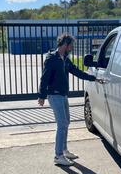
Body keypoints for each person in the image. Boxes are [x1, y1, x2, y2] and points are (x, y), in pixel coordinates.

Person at [38, 34, 99, 166]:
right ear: (65, 44)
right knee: (62, 124)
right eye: (71, 45)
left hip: (63, 95)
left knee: (66, 122)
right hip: (54, 95)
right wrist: (42, 95)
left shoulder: (65, 58)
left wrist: (92, 78)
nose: (72, 47)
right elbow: (44, 78)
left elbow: (76, 71)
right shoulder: (52, 58)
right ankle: (58, 155)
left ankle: (64, 150)